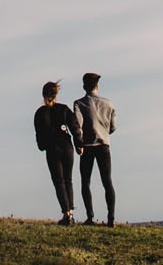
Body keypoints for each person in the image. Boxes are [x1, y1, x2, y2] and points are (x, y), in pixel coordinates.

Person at [32, 80, 79, 225]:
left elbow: (39, 137)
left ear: (43, 95)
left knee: (58, 181)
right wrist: (79, 144)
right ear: (56, 94)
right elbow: (75, 126)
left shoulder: (40, 113)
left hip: (52, 149)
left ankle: (66, 214)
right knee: (68, 180)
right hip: (67, 147)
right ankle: (70, 212)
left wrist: (43, 146)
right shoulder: (64, 109)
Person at [73, 72, 116, 225]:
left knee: (85, 182)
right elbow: (113, 127)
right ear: (97, 86)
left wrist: (78, 143)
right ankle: (111, 217)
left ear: (84, 86)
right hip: (103, 144)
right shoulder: (108, 104)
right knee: (107, 181)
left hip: (88, 146)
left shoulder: (79, 104)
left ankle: (90, 216)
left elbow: (77, 125)